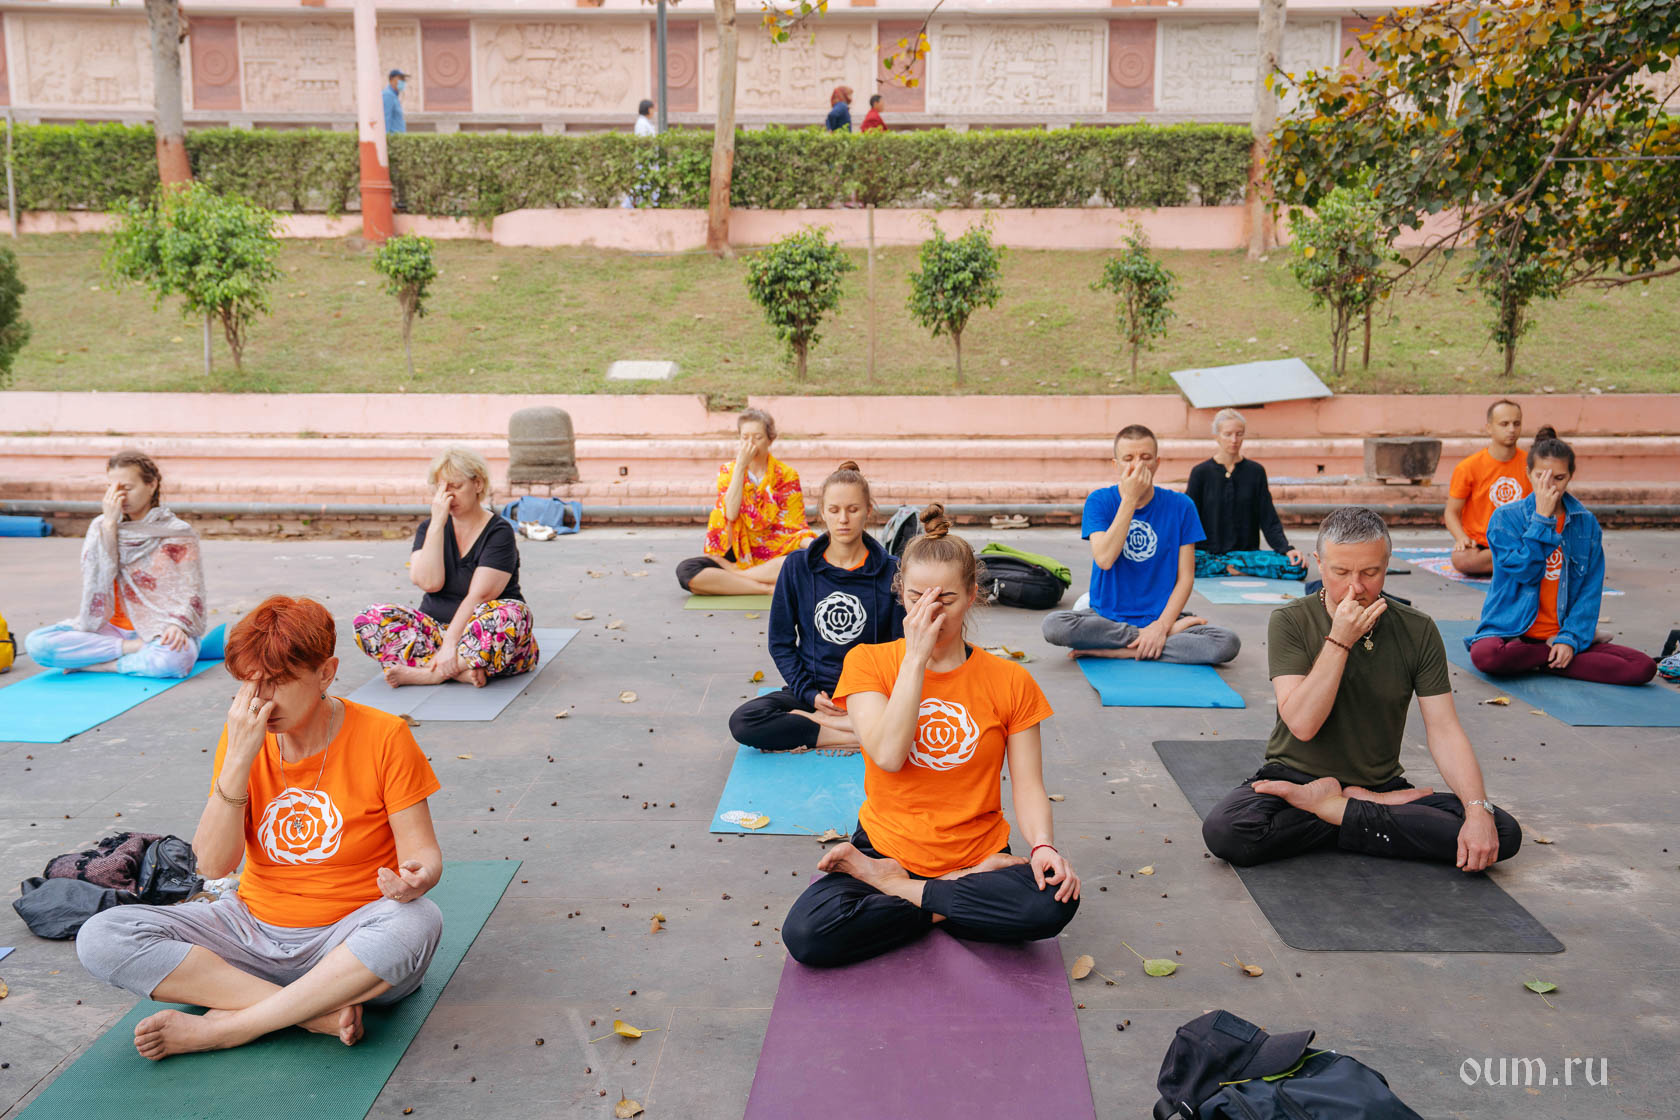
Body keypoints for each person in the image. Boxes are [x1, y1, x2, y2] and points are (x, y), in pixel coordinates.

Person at [75, 596, 444, 1060]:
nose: (261, 699)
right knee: (101, 936)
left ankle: (231, 1027)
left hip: (349, 940)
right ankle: (309, 1013)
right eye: (251, 684)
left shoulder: (384, 735)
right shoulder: (243, 739)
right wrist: (238, 760)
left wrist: (416, 878)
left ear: (326, 674)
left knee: (419, 920)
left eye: (278, 682)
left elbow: (423, 855)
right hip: (249, 931)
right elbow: (213, 865)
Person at [780, 505, 1080, 967]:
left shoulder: (1011, 680)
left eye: (947, 600)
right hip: (885, 847)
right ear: (900, 592)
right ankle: (948, 897)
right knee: (807, 933)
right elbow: (888, 755)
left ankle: (899, 888)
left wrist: (1042, 846)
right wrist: (916, 660)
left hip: (979, 855)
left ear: (973, 595)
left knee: (1052, 903)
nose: (931, 613)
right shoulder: (868, 663)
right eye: (918, 597)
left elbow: (1028, 785)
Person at [1200, 507, 1523, 870]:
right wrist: (1340, 640)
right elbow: (1302, 724)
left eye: (1370, 573)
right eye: (1340, 572)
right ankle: (1362, 816)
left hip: (1379, 788)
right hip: (1295, 782)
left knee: (1500, 832)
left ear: (1386, 566)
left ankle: (1337, 810)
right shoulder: (1290, 620)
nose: (1355, 587)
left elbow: (1444, 729)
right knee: (1229, 831)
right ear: (1320, 564)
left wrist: (1477, 810)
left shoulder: (1417, 629)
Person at [729, 462, 905, 751]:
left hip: (871, 694)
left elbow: (900, 647)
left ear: (868, 510)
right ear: (822, 512)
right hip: (815, 693)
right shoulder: (797, 567)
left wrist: (869, 696)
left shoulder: (892, 571)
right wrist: (809, 695)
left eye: (853, 509)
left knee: (923, 712)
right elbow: (781, 642)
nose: (843, 519)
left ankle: (829, 726)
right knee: (744, 721)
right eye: (834, 510)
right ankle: (852, 734)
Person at [1468, 428, 1656, 686]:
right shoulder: (1506, 518)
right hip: (1511, 631)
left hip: (1561, 631)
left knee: (1642, 667)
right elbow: (1526, 572)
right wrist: (1542, 519)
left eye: (1559, 478)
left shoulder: (1585, 523)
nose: (1549, 486)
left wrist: (1569, 638)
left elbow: (1590, 591)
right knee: (1486, 656)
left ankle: (1552, 654)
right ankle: (1550, 656)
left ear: (1570, 476)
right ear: (1528, 473)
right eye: (1540, 476)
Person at [1041, 425, 1240, 664]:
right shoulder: (1100, 501)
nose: (1137, 465)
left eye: (1145, 458)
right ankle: (1154, 641)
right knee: (1054, 626)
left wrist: (1162, 626)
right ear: (1116, 465)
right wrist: (1130, 498)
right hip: (1106, 618)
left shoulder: (1182, 506)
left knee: (1226, 642)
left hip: (1160, 617)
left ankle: (1121, 650)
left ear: (1157, 463)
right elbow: (1104, 559)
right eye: (1128, 459)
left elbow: (1186, 578)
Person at [353, 448, 538, 688]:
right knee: (369, 619)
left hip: (484, 633)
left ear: (478, 484)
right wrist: (437, 524)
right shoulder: (429, 528)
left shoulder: (498, 532)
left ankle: (433, 673)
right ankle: (461, 669)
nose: (448, 495)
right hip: (436, 632)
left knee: (512, 615)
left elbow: (481, 595)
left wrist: (451, 645)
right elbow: (429, 583)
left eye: (456, 486)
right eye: (442, 488)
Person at [24, 450, 207, 678]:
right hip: (108, 629)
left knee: (173, 661)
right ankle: (132, 650)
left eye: (127, 488)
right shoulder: (100, 526)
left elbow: (192, 591)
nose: (119, 496)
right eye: (112, 488)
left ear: (151, 485)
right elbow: (97, 576)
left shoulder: (177, 532)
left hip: (160, 628)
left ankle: (102, 665)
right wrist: (110, 525)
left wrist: (178, 625)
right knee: (37, 644)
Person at [676, 409, 816, 596]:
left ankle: (736, 577)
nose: (750, 444)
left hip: (776, 551)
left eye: (758, 437)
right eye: (745, 438)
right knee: (687, 571)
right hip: (737, 550)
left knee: (802, 562)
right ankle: (766, 588)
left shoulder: (787, 475)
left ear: (770, 440)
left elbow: (794, 527)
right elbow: (731, 513)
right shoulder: (729, 471)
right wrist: (740, 467)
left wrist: (814, 547)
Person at [1184, 408, 1305, 580]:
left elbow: (1268, 517)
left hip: (1247, 556)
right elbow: (1189, 517)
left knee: (1297, 568)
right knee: (1176, 564)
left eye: (1239, 434)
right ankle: (1232, 568)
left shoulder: (1255, 472)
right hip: (1208, 554)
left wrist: (1286, 549)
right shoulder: (1200, 472)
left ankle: (1229, 568)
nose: (1234, 440)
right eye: (1228, 434)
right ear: (1216, 436)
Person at [1445, 399, 1530, 576]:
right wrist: (1462, 538)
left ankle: (1511, 561)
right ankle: (1518, 562)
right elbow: (1451, 512)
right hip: (1481, 545)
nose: (1511, 429)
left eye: (1516, 424)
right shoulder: (1468, 467)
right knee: (1462, 559)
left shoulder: (1531, 465)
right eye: (1504, 424)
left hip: (1520, 540)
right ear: (1489, 428)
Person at [383, 69, 408, 135]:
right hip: (393, 138)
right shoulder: (388, 95)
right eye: (400, 78)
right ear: (391, 80)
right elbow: (385, 119)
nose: (403, 81)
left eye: (403, 79)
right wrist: (386, 138)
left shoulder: (394, 96)